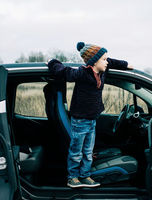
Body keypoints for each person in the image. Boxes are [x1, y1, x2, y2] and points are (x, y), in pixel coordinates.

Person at [47, 42, 133, 188]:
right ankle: (72, 177)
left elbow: (113, 62)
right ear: (94, 61)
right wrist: (53, 62)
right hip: (80, 120)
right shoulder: (81, 72)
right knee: (76, 152)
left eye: (106, 59)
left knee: (88, 152)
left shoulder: (103, 71)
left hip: (92, 119)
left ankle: (85, 175)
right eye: (104, 59)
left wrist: (126, 65)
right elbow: (63, 72)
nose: (107, 62)